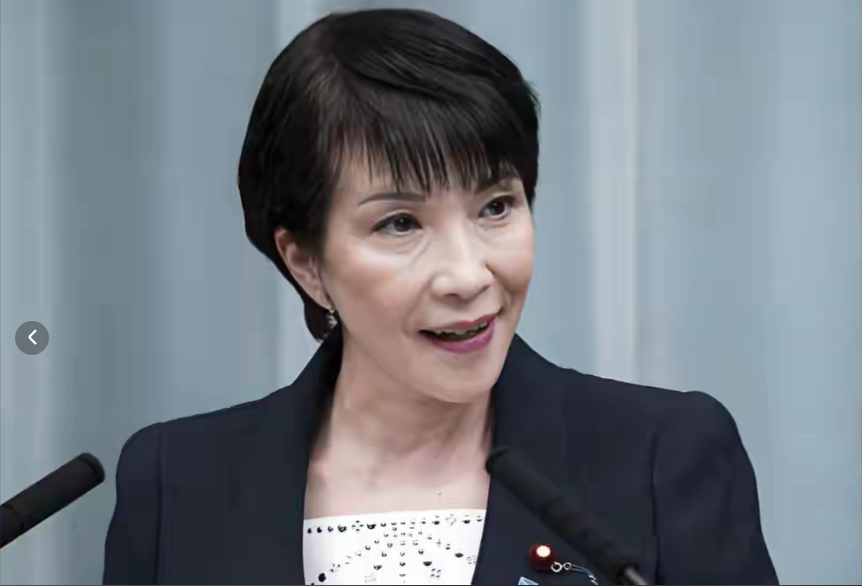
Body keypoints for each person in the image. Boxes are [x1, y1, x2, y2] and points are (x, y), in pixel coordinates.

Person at [103, 9, 777, 586]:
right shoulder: (177, 483)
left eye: (496, 206)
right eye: (400, 223)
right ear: (306, 263)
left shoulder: (662, 457)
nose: (467, 275)